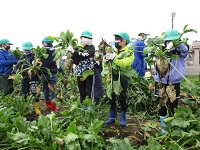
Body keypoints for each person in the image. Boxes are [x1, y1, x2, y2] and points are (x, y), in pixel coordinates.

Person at [153, 29, 188, 133]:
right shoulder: (161, 52)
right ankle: (163, 126)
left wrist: (177, 45)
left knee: (173, 105)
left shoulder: (181, 52)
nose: (169, 43)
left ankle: (172, 126)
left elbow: (185, 49)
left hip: (174, 82)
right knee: (162, 104)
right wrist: (162, 51)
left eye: (172, 41)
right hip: (161, 81)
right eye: (168, 41)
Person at [104, 32, 134, 126]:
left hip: (122, 76)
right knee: (111, 96)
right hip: (113, 76)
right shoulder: (113, 50)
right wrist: (105, 60)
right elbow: (106, 63)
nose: (116, 42)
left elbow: (125, 63)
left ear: (123, 41)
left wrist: (114, 58)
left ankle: (123, 118)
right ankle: (112, 117)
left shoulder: (129, 52)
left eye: (117, 40)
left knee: (122, 97)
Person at [67, 30, 99, 103]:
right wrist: (72, 55)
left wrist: (74, 52)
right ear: (81, 38)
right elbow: (76, 62)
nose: (87, 39)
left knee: (90, 91)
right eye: (85, 37)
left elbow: (86, 55)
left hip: (89, 73)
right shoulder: (77, 48)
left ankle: (91, 108)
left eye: (89, 38)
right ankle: (83, 108)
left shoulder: (91, 48)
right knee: (82, 92)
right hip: (80, 73)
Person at [14, 42, 41, 115]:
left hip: (34, 77)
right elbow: (16, 67)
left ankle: (36, 108)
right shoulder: (22, 57)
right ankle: (25, 107)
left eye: (28, 50)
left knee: (35, 92)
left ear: (31, 49)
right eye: (25, 50)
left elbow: (40, 66)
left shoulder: (35, 56)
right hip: (24, 77)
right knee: (24, 92)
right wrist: (19, 72)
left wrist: (35, 68)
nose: (26, 52)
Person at [41, 37, 59, 111]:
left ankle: (48, 105)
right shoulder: (55, 51)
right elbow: (57, 63)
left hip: (44, 73)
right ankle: (53, 107)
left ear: (45, 43)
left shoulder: (41, 52)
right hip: (52, 73)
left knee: (45, 89)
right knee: (52, 90)